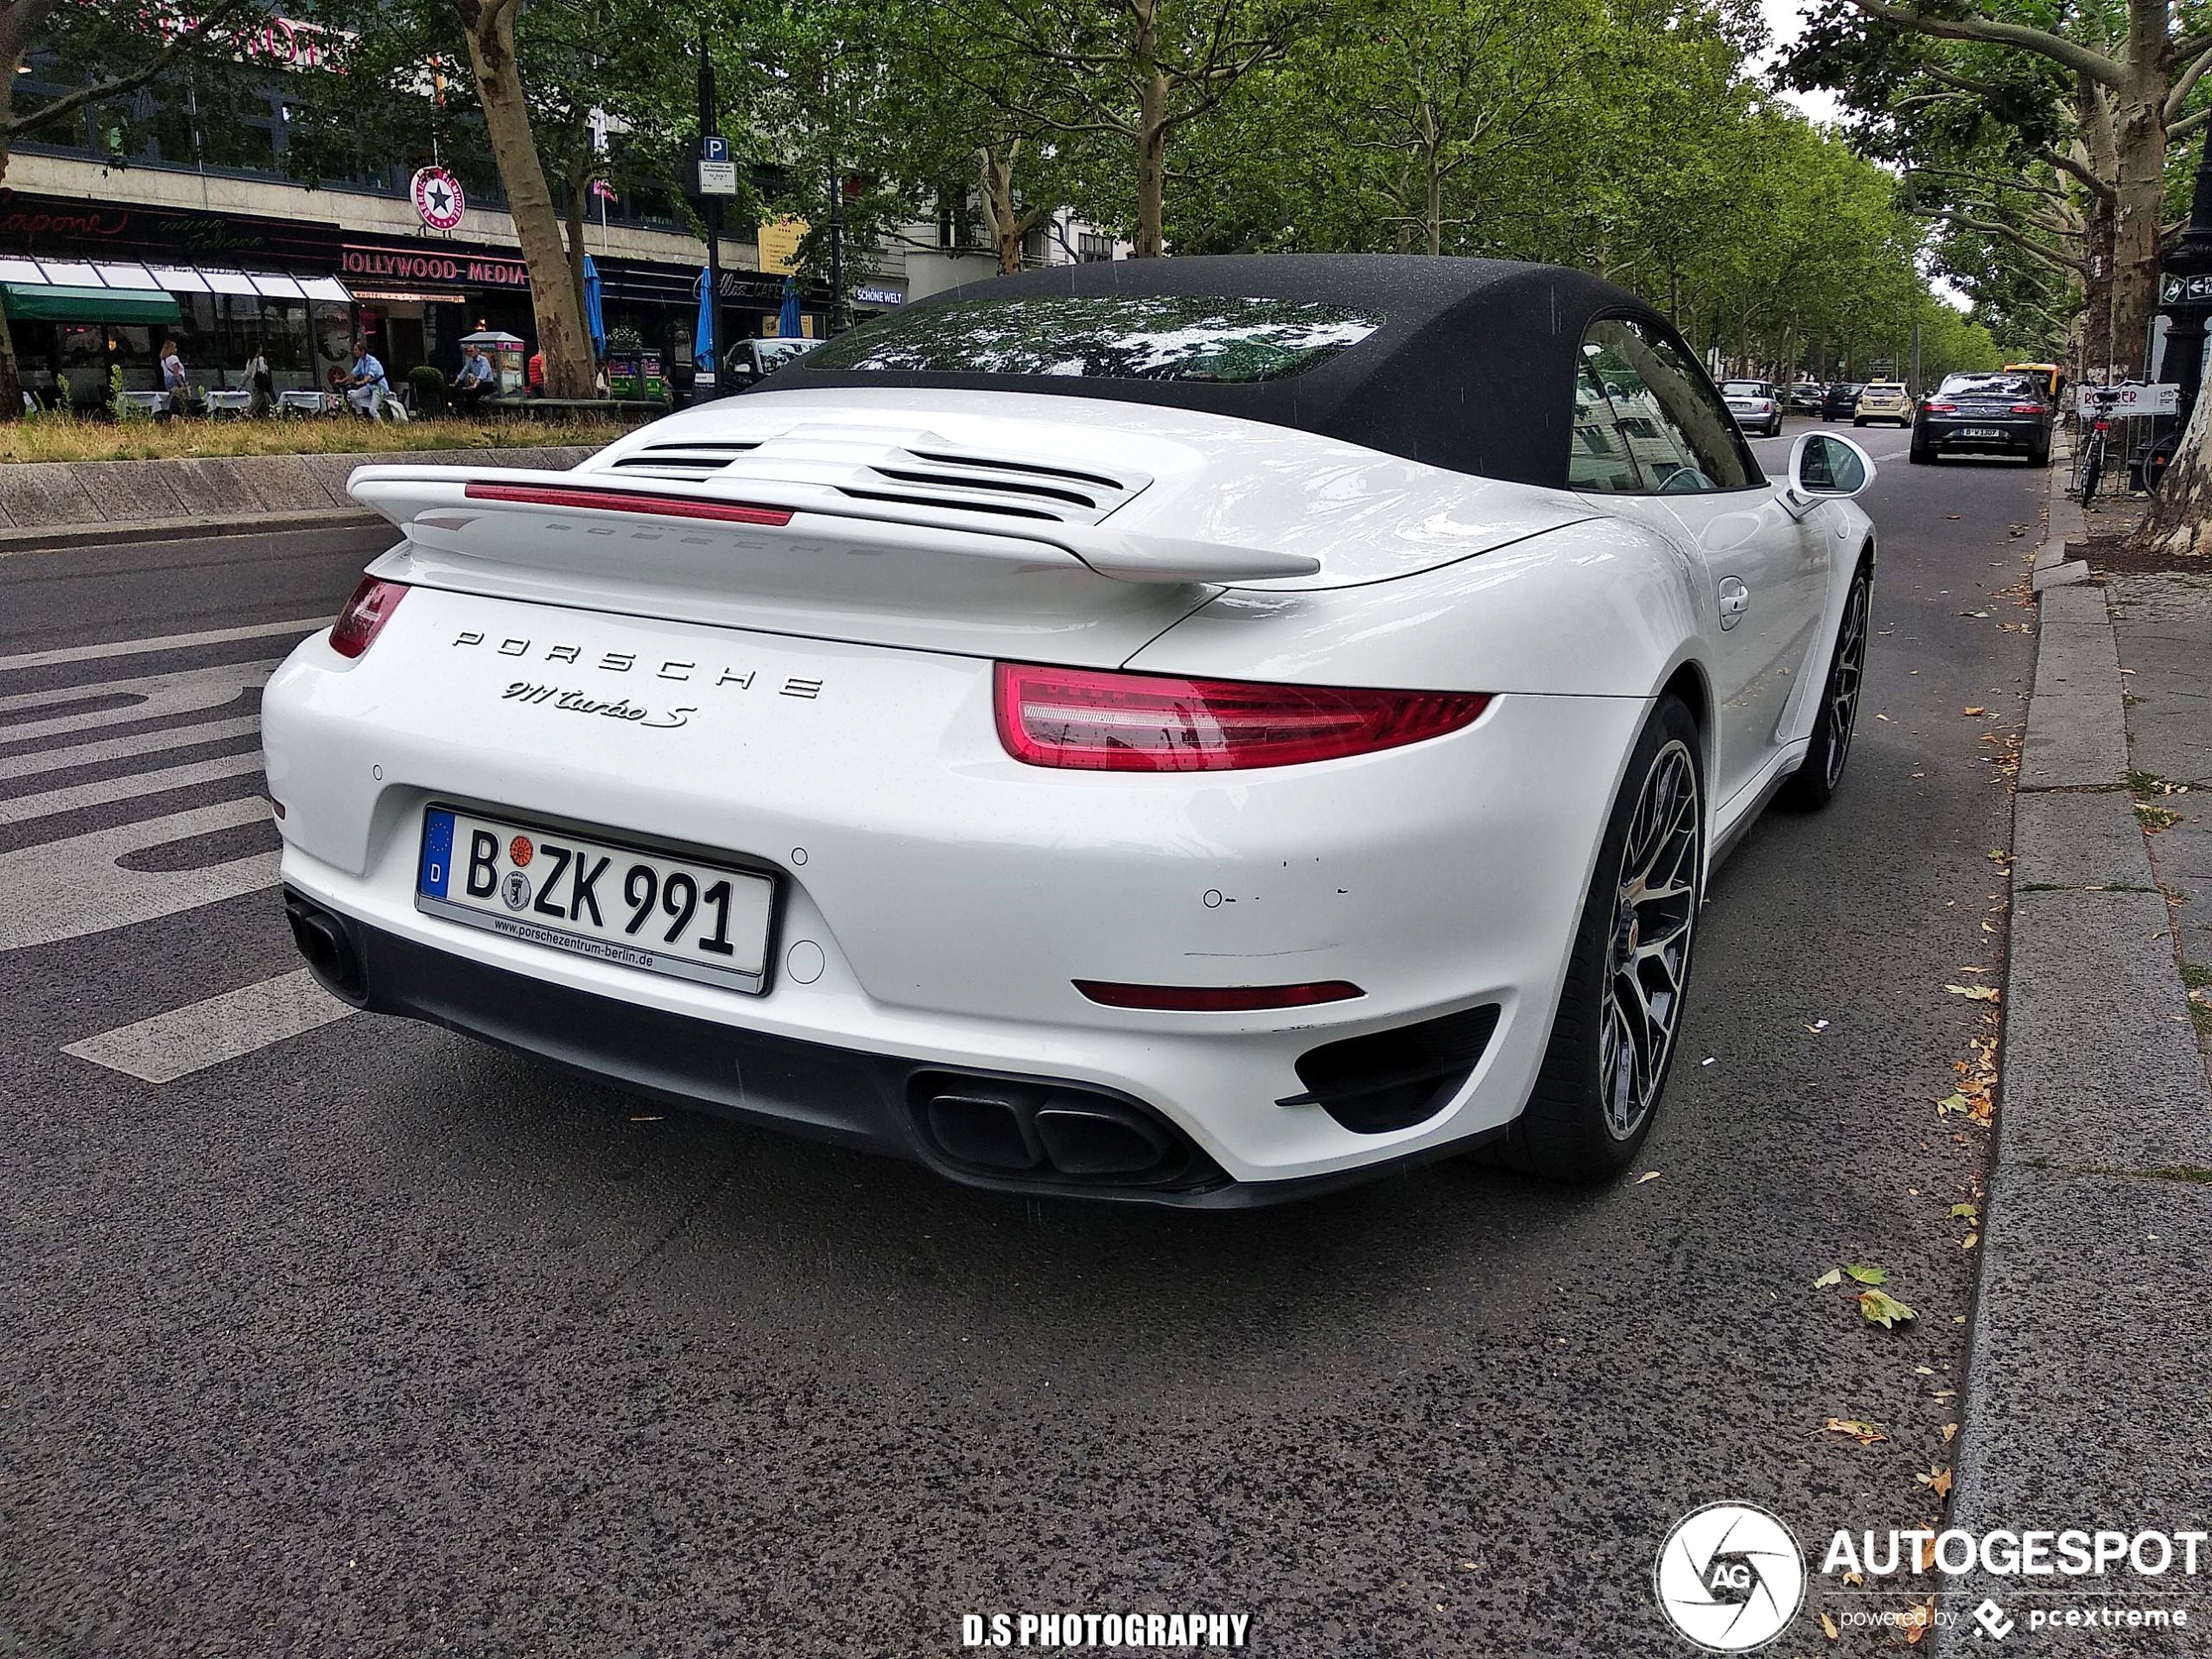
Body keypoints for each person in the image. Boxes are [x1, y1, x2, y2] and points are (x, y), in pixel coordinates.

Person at [344, 340, 390, 418]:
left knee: (372, 410)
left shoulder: (373, 361)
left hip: (379, 387)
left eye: (356, 350)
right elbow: (354, 373)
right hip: (370, 386)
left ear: (362, 351)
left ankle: (381, 426)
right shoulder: (361, 361)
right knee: (353, 396)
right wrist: (342, 381)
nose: (354, 352)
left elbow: (370, 376)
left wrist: (362, 382)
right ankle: (360, 415)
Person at [453, 344, 494, 415]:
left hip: (487, 383)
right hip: (477, 382)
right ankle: (463, 411)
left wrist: (475, 385)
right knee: (464, 392)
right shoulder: (470, 361)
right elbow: (464, 371)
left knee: (473, 392)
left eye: (471, 351)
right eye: (468, 351)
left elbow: (482, 375)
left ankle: (475, 412)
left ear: (476, 351)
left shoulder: (484, 361)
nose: (469, 353)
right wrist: (455, 382)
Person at [158, 339, 190, 416]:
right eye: (175, 348)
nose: (176, 349)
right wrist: (182, 384)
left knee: (173, 399)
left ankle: (173, 415)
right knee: (179, 401)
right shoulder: (174, 358)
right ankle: (177, 417)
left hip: (168, 382)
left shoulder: (163, 361)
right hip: (175, 381)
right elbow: (176, 373)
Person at [245, 345, 274, 418]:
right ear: (258, 349)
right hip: (261, 383)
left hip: (254, 382)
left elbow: (247, 373)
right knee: (259, 399)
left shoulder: (250, 360)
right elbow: (262, 370)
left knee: (263, 400)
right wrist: (266, 366)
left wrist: (241, 384)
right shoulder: (261, 359)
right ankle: (247, 413)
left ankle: (266, 415)